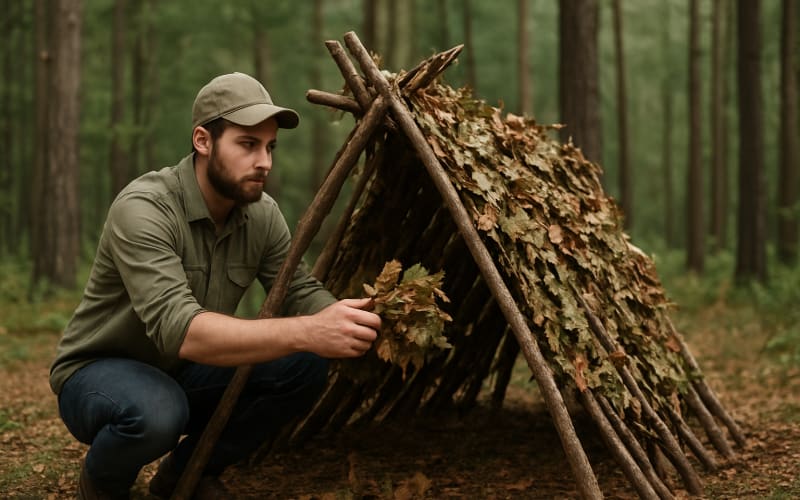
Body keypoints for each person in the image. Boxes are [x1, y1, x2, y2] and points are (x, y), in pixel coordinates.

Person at [49, 72, 381, 499]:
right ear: (203, 141)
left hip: (183, 373)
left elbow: (299, 290)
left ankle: (186, 474)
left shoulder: (261, 214)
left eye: (270, 147)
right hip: (98, 373)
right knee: (158, 410)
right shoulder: (144, 208)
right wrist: (308, 330)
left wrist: (359, 318)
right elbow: (183, 330)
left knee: (304, 366)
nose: (265, 162)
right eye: (248, 145)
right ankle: (103, 484)